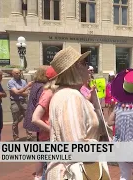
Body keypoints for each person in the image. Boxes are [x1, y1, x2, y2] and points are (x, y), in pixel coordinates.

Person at [45, 47, 110, 179]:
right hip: (71, 173)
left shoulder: (62, 93)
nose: (88, 68)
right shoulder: (71, 96)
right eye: (85, 64)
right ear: (76, 68)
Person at [31, 66, 57, 180]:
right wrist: (51, 130)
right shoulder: (48, 93)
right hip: (47, 138)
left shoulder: (54, 92)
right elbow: (35, 118)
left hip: (52, 138)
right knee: (48, 170)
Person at [24, 66, 49, 140]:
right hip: (39, 116)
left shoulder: (35, 84)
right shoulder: (41, 86)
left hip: (33, 112)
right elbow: (41, 102)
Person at [7, 68, 33, 141]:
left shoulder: (23, 81)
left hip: (23, 101)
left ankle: (29, 135)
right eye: (16, 73)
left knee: (27, 119)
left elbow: (26, 93)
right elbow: (16, 93)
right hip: (15, 102)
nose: (18, 74)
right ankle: (16, 137)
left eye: (19, 73)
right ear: (13, 74)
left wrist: (19, 91)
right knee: (15, 121)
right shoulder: (10, 82)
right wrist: (26, 87)